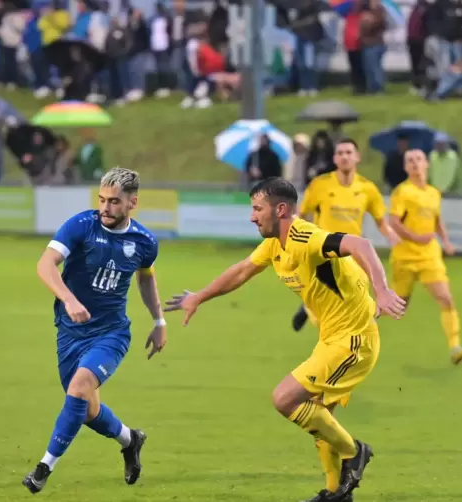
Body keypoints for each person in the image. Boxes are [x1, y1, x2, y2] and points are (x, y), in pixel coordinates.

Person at [164, 177, 405, 502]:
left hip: (353, 342)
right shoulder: (274, 244)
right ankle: (336, 494)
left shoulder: (305, 237)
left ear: (280, 209)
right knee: (321, 419)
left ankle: (355, 452)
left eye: (257, 208)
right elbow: (241, 271)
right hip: (333, 338)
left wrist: (383, 290)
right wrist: (200, 297)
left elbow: (360, 244)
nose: (252, 216)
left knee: (285, 399)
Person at [23, 167, 167, 494]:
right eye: (101, 199)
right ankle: (130, 440)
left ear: (133, 203)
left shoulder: (144, 242)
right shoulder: (81, 226)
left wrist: (159, 321)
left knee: (79, 388)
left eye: (114, 202)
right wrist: (69, 300)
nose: (105, 208)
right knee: (87, 411)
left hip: (111, 334)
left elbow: (146, 279)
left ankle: (43, 468)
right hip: (70, 332)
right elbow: (45, 265)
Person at [292, 138, 399, 331]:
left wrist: (391, 235)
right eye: (340, 153)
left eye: (349, 153)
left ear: (357, 157)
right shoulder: (320, 184)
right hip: (323, 254)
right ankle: (311, 311)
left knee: (356, 304)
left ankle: (349, 339)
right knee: (326, 316)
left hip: (353, 255)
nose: (344, 157)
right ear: (334, 158)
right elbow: (301, 213)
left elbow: (381, 221)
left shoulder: (367, 189)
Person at [388, 150, 462, 364]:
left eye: (418, 160)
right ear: (405, 167)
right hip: (405, 257)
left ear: (426, 164)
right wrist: (415, 237)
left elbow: (436, 219)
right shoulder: (402, 192)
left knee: (446, 299)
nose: (414, 164)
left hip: (429, 256)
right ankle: (360, 321)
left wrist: (445, 241)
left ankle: (455, 347)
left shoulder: (433, 192)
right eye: (409, 161)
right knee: (397, 307)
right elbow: (394, 221)